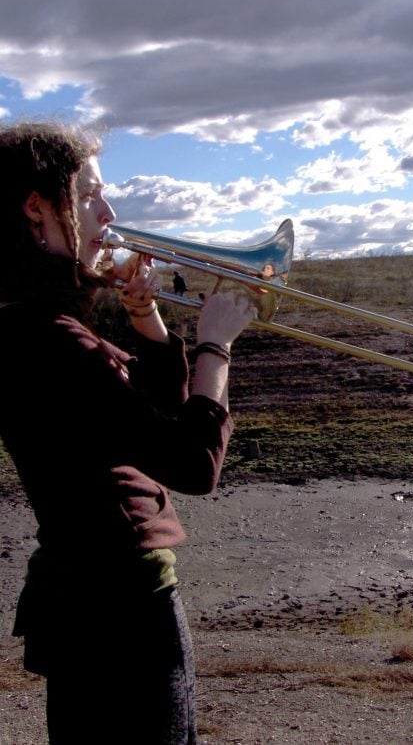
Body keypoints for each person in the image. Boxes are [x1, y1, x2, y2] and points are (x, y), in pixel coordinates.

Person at [0, 122, 255, 744]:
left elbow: (141, 416)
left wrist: (148, 320)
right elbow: (193, 464)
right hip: (115, 605)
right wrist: (215, 350)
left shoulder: (41, 322)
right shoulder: (50, 336)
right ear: (36, 207)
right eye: (88, 195)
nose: (109, 213)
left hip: (96, 596)